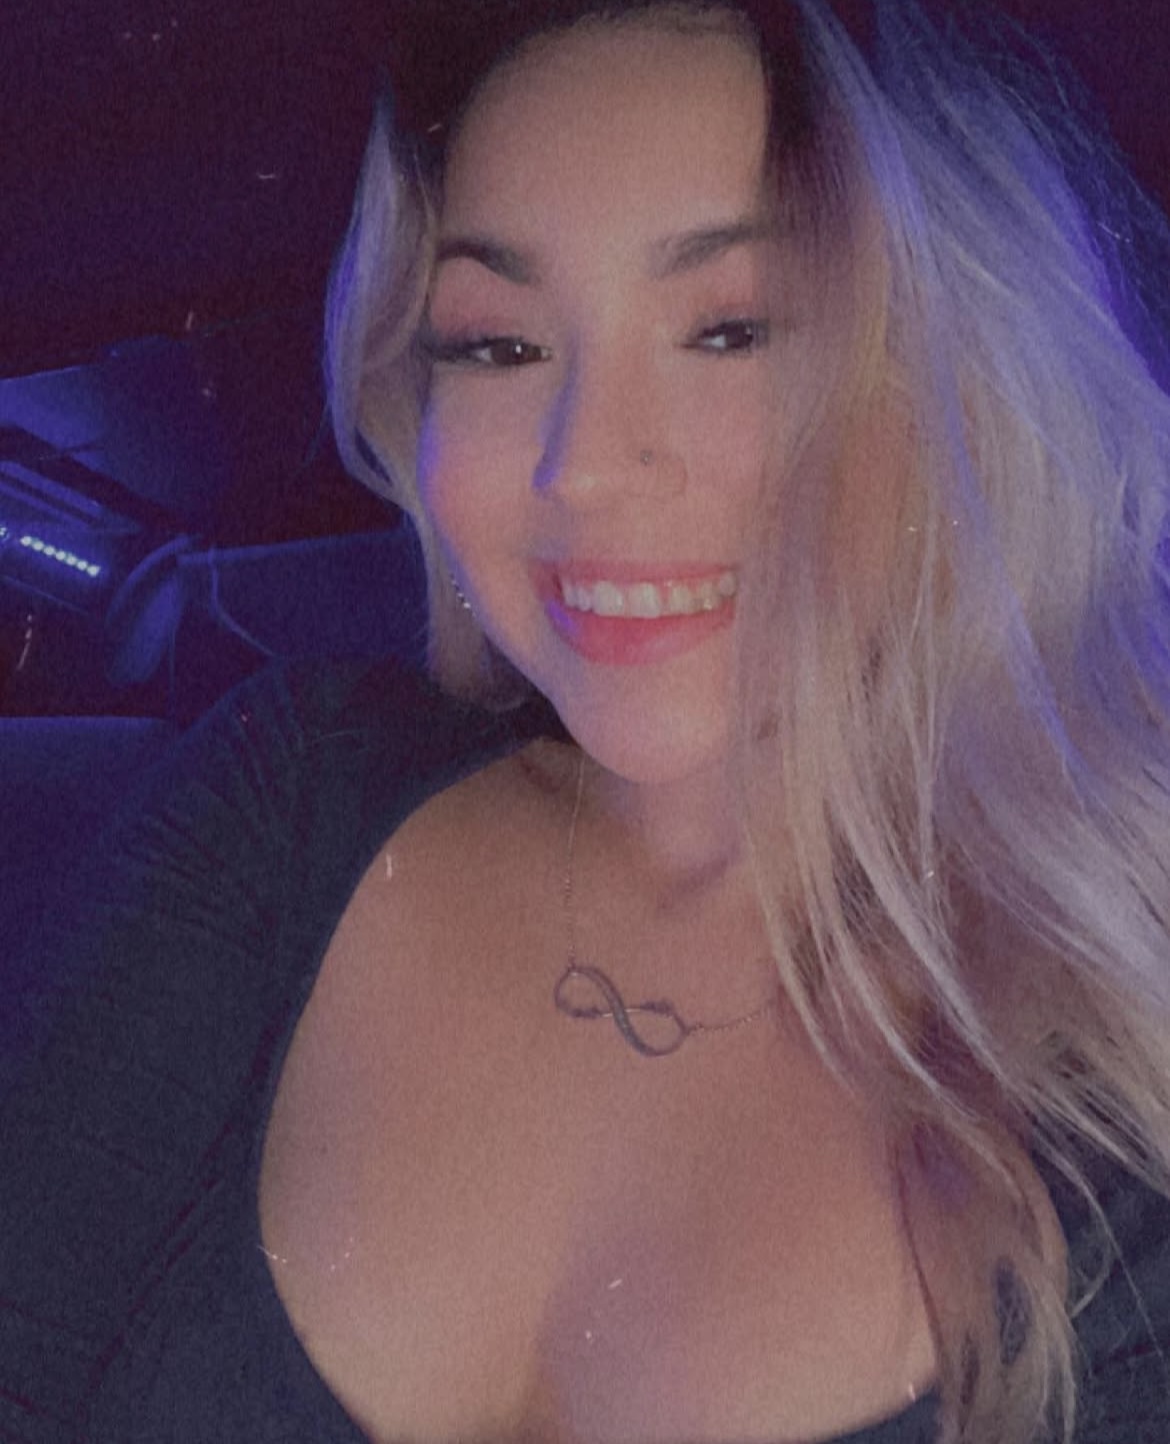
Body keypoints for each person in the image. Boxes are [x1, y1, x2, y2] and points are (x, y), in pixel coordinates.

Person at [2, 1, 1170, 1441]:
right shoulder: (287, 800)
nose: (583, 466)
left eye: (731, 328)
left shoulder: (1127, 1087)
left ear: (973, 380)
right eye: (498, 346)